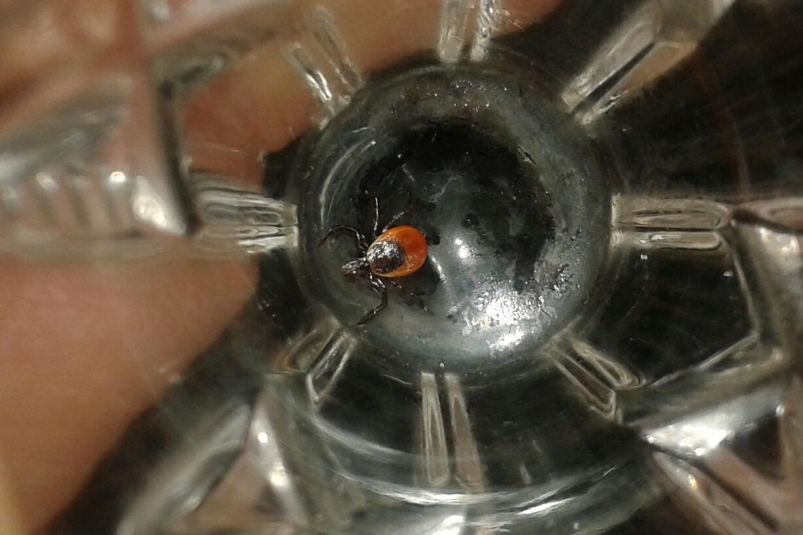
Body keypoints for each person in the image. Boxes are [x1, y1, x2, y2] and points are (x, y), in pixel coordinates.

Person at [0, 0, 562, 532]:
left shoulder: (379, 254)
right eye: (367, 264)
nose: (363, 263)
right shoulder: (387, 254)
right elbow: (399, 254)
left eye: (365, 261)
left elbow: (389, 257)